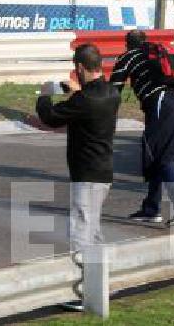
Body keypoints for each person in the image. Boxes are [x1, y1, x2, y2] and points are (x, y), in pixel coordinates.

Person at [35, 44, 120, 312]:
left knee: (81, 234)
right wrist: (76, 91)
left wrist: (45, 95)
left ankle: (84, 293)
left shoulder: (83, 101)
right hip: (103, 172)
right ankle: (102, 284)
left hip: (86, 174)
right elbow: (87, 100)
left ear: (80, 68)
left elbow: (50, 117)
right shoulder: (112, 92)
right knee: (93, 232)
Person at [109, 30, 174, 226]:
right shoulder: (158, 52)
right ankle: (151, 208)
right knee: (153, 153)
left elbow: (113, 90)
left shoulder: (128, 57)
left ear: (127, 44)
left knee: (161, 153)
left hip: (160, 102)